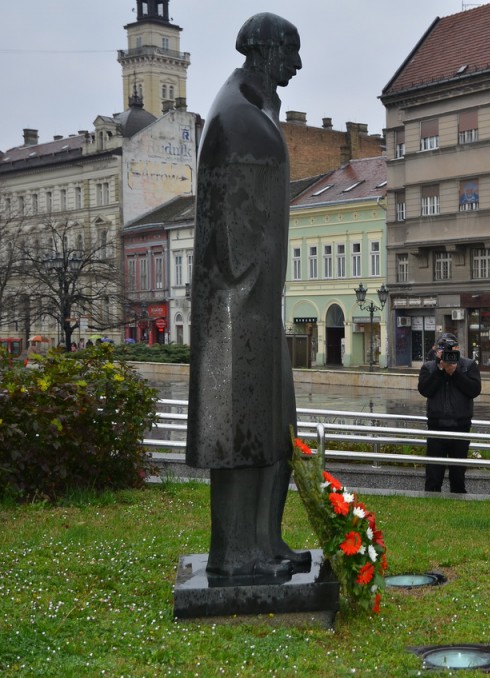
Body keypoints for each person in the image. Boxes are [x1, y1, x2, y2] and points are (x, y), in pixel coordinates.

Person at [186, 12, 309, 580]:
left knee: (275, 427)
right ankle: (236, 553)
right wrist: (247, 301)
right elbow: (238, 237)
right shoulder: (240, 119)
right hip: (239, 309)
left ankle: (265, 540)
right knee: (241, 428)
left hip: (257, 306)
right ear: (262, 49)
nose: (297, 64)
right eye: (290, 50)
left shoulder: (252, 111)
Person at [417, 333, 482, 493]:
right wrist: (440, 370)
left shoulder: (469, 365)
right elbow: (425, 390)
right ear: (435, 350)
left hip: (461, 427)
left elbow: (474, 390)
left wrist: (455, 372)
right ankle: (431, 500)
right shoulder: (428, 367)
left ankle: (459, 499)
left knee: (458, 475)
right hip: (436, 427)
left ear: (458, 348)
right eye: (442, 347)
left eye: (451, 348)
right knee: (433, 475)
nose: (447, 351)